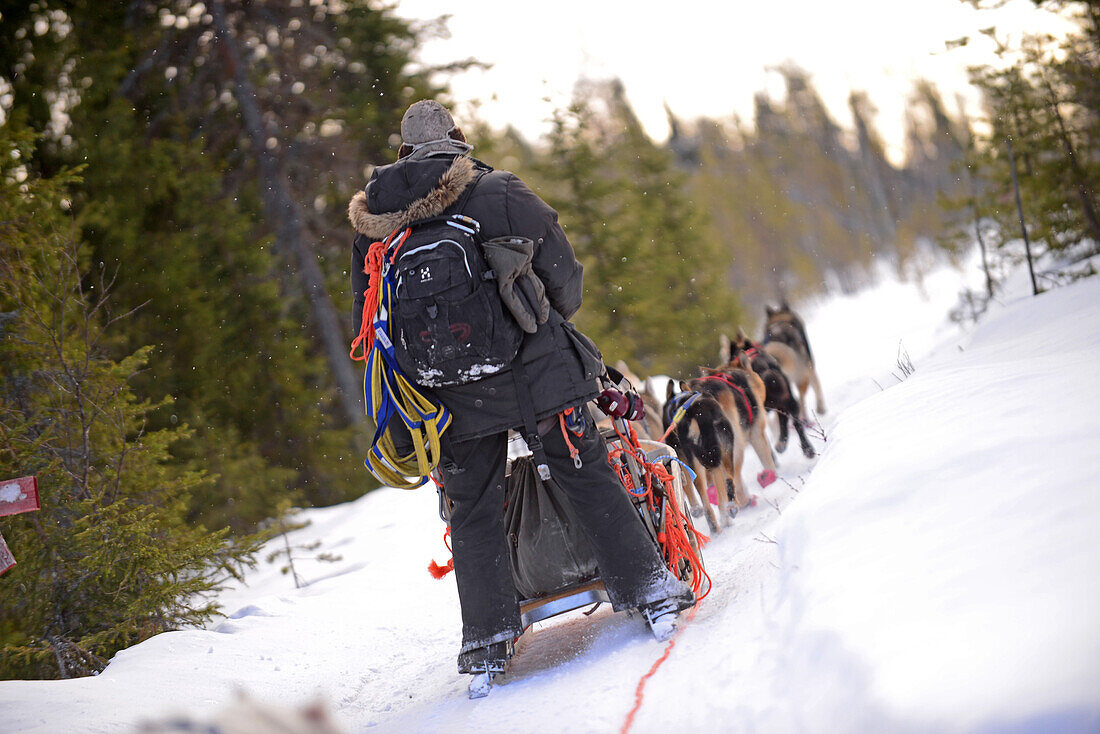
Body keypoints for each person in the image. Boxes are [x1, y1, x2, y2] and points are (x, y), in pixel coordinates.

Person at [347, 100, 694, 679]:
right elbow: (564, 274)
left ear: (402, 153)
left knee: (474, 511)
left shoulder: (375, 228)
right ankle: (650, 591)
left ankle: (486, 642)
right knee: (586, 474)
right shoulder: (497, 190)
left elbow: (366, 318)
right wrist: (544, 326)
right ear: (457, 139)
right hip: (537, 376)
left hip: (445, 399)